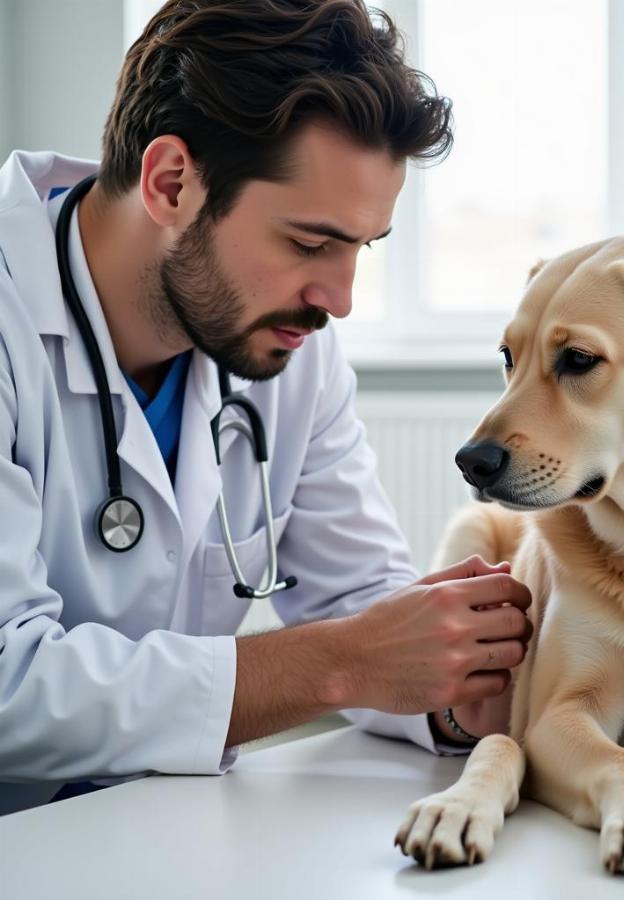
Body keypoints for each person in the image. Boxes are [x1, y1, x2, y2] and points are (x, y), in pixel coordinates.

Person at [0, 0, 532, 816]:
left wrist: (457, 692)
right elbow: (9, 685)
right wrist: (335, 663)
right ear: (171, 181)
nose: (340, 300)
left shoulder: (287, 349)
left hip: (155, 830)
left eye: (362, 248)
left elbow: (360, 605)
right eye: (311, 243)